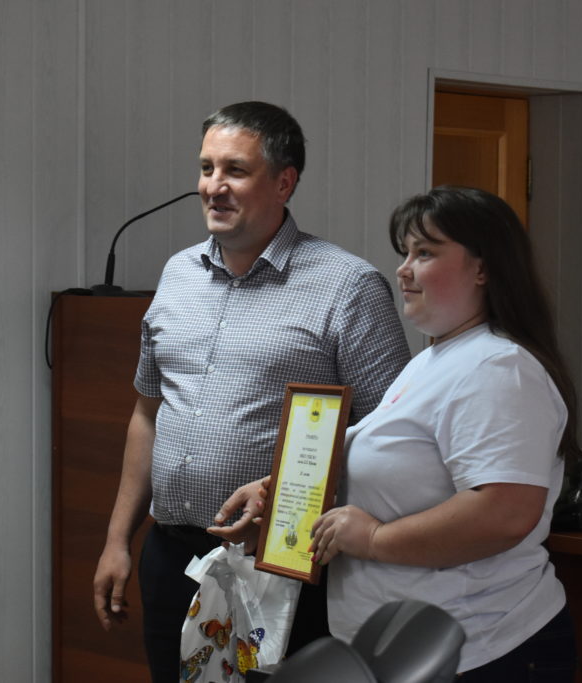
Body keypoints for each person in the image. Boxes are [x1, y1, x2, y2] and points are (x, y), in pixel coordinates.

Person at [91, 101, 410, 683]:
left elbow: (392, 433)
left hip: (281, 563)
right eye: (206, 168)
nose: (213, 186)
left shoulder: (348, 286)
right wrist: (118, 539)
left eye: (234, 170)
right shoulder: (177, 274)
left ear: (284, 182)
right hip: (172, 556)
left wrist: (283, 491)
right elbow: (148, 413)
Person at [212, 186, 582, 682]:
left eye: (425, 253)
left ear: (483, 268)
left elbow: (505, 513)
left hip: (480, 649)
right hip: (408, 647)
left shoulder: (498, 367)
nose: (403, 269)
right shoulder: (433, 360)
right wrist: (282, 497)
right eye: (405, 253)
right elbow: (398, 480)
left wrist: (373, 539)